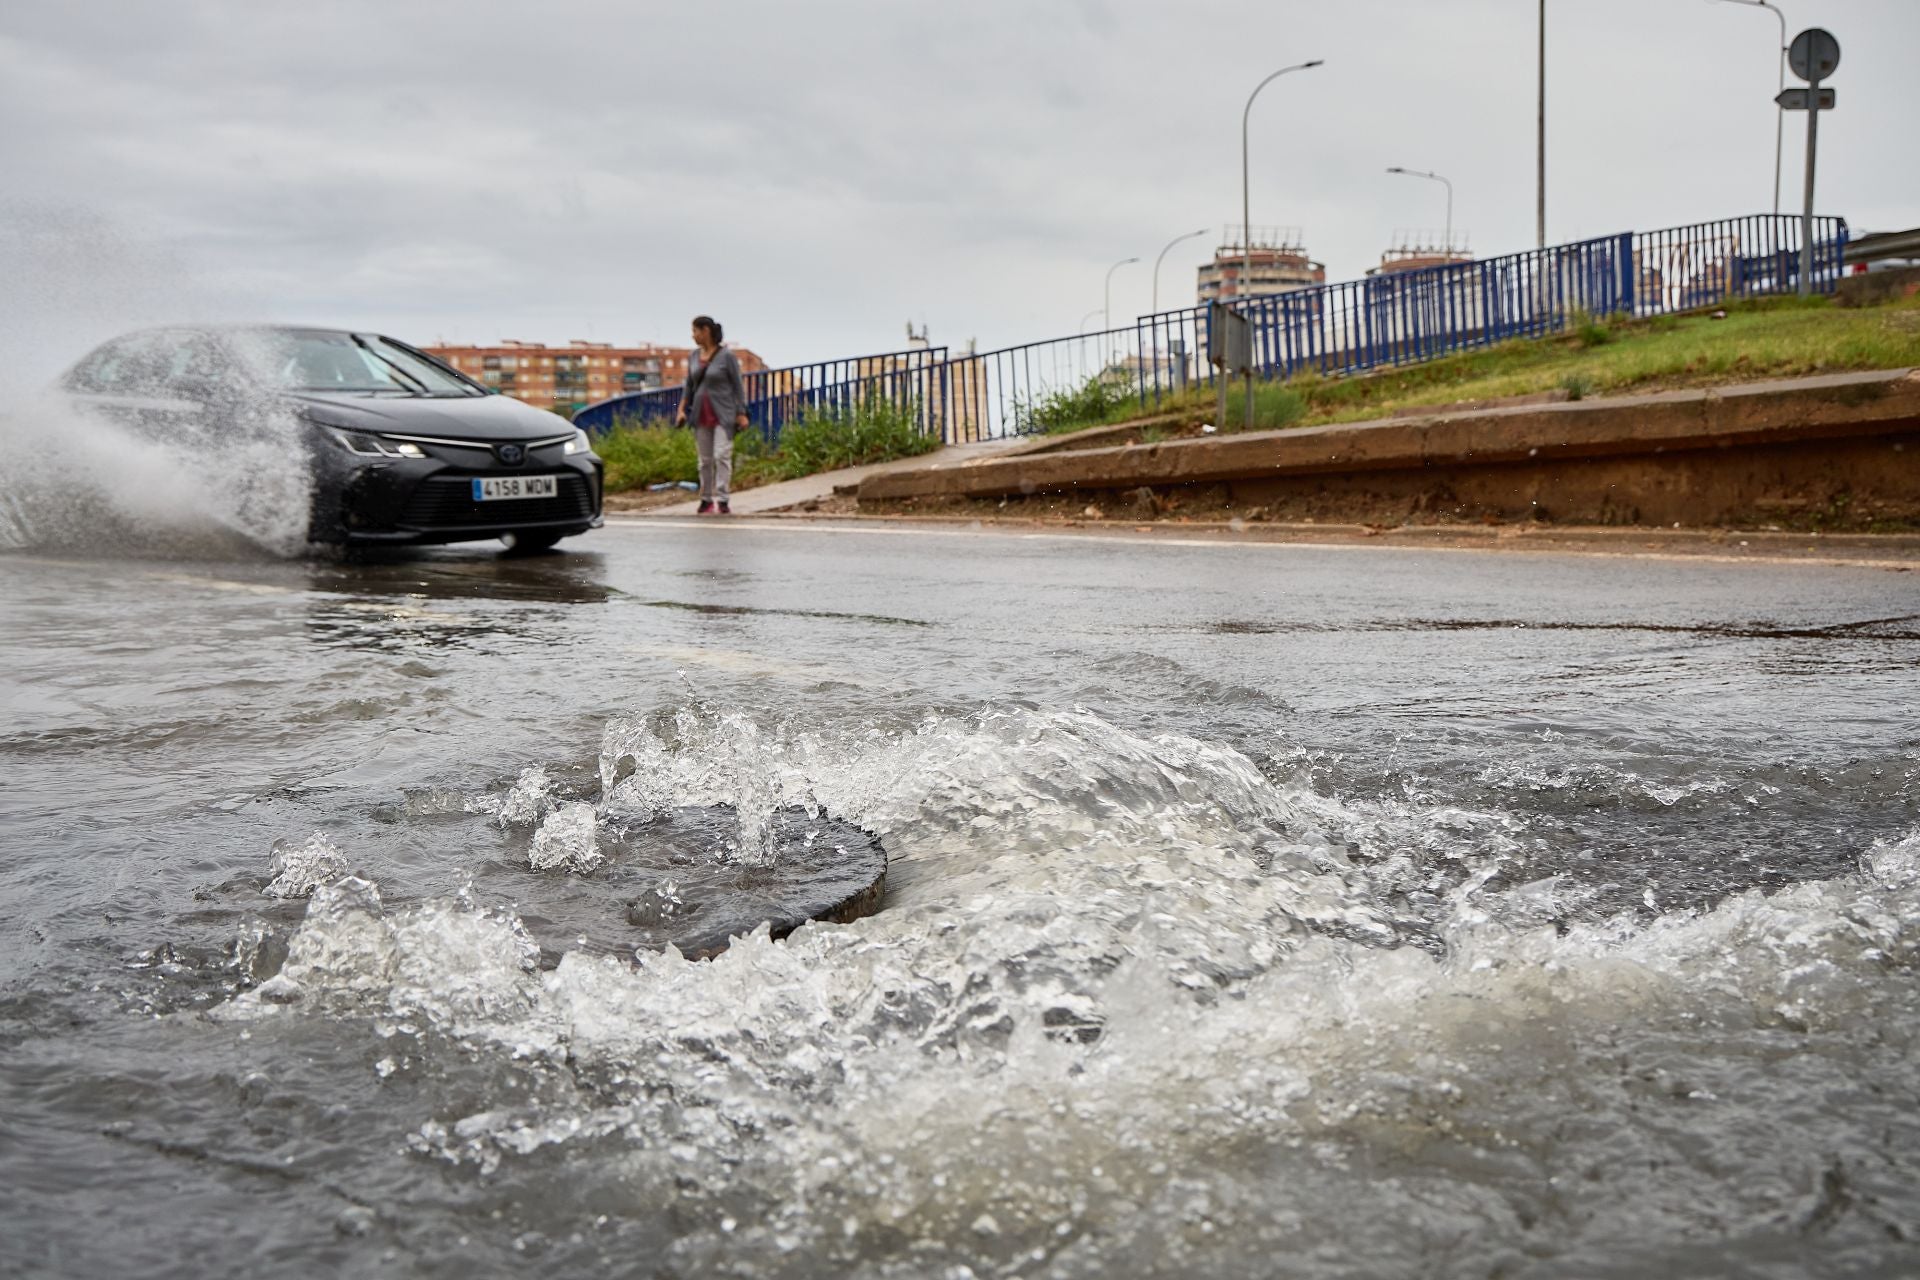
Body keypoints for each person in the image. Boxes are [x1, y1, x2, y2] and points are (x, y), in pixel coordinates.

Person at [674, 315, 750, 515]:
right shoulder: (693, 357)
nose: (693, 336)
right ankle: (706, 499)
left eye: (695, 331)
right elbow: (688, 386)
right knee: (704, 460)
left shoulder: (727, 356)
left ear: (705, 330)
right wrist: (681, 409)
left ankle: (723, 499)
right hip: (700, 413)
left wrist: (741, 412)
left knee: (721, 455)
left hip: (723, 414)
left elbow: (738, 386)